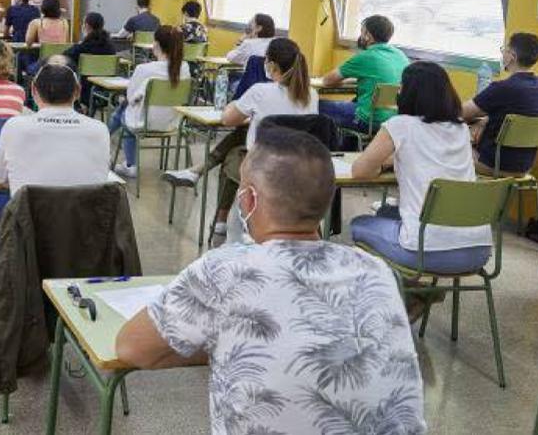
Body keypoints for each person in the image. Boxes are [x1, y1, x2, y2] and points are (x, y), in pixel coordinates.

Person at [114, 126, 426, 435]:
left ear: (249, 200)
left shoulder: (223, 271)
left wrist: (224, 343)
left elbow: (131, 348)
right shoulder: (375, 270)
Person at [351, 61, 492, 291]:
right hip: (478, 250)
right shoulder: (459, 128)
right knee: (387, 212)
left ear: (409, 92)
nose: (398, 91)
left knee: (360, 224)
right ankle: (416, 295)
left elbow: (360, 171)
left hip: (426, 252)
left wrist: (384, 163)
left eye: (401, 86)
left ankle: (403, 296)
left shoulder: (400, 125)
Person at [207, 37, 318, 238]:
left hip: (262, 168)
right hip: (297, 167)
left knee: (232, 158)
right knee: (240, 143)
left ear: (272, 65)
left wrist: (234, 105)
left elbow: (227, 119)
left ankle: (221, 219)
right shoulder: (312, 94)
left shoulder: (260, 92)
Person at [0, 64, 111, 195]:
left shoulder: (14, 127)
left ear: (33, 91)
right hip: (86, 214)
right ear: (78, 92)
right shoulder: (99, 130)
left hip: (30, 214)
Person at [462, 32, 538, 174]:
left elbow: (459, 113)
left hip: (491, 164)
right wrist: (485, 121)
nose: (502, 54)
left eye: (504, 50)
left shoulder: (502, 88)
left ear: (512, 56)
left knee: (443, 148)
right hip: (524, 168)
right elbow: (523, 113)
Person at [110, 26, 190, 179]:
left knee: (123, 109)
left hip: (144, 122)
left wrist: (124, 100)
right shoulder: (185, 68)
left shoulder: (144, 69)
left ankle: (130, 163)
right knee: (124, 109)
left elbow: (131, 97)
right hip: (174, 122)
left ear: (157, 45)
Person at [319, 14, 410, 132]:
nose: (360, 36)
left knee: (316, 105)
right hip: (394, 120)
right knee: (353, 102)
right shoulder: (400, 55)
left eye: (362, 32)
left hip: (369, 120)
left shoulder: (366, 56)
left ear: (368, 36)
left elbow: (327, 80)